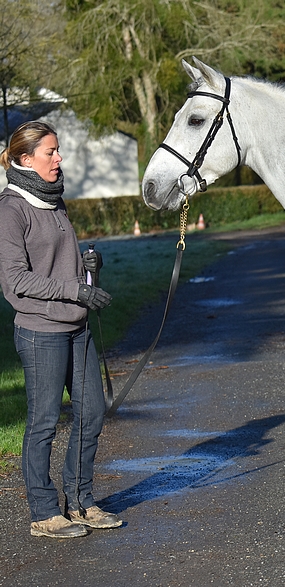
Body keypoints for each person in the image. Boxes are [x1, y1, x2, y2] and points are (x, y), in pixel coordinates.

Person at [0, 121, 121, 538]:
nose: (59, 158)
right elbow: (15, 281)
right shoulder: (11, 210)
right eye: (50, 152)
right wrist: (74, 289)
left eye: (58, 150)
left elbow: (59, 267)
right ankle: (44, 513)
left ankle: (82, 501)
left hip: (77, 327)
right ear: (23, 159)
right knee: (44, 423)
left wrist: (89, 273)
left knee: (91, 412)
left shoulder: (55, 201)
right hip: (40, 331)